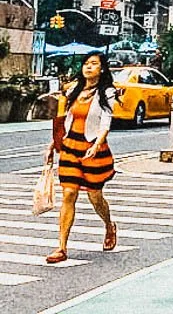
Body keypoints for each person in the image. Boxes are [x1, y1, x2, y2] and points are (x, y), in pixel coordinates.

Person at [45, 52, 118, 263]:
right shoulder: (74, 90)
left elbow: (106, 121)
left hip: (93, 148)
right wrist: (53, 144)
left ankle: (108, 225)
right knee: (69, 194)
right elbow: (66, 119)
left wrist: (97, 143)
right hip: (70, 147)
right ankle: (61, 247)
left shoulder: (107, 92)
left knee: (95, 196)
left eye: (94, 64)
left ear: (102, 69)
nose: (88, 67)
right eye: (86, 64)